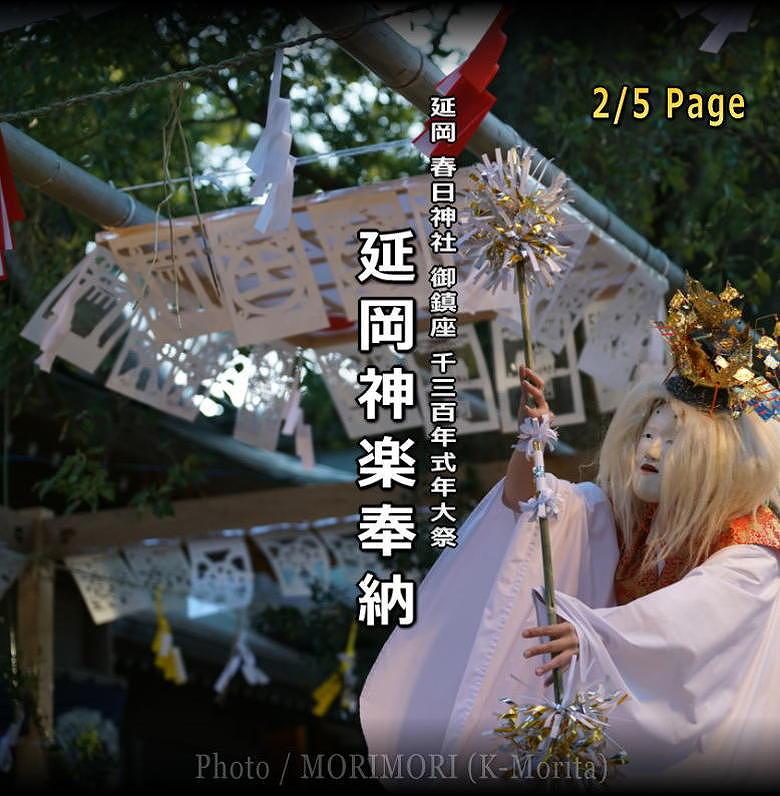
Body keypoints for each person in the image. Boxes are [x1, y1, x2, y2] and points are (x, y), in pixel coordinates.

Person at [358, 278, 780, 789]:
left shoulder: (752, 550)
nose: (649, 452)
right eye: (649, 434)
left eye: (671, 444)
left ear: (711, 462)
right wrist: (531, 441)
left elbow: (688, 627)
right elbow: (530, 508)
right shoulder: (631, 516)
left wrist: (593, 635)